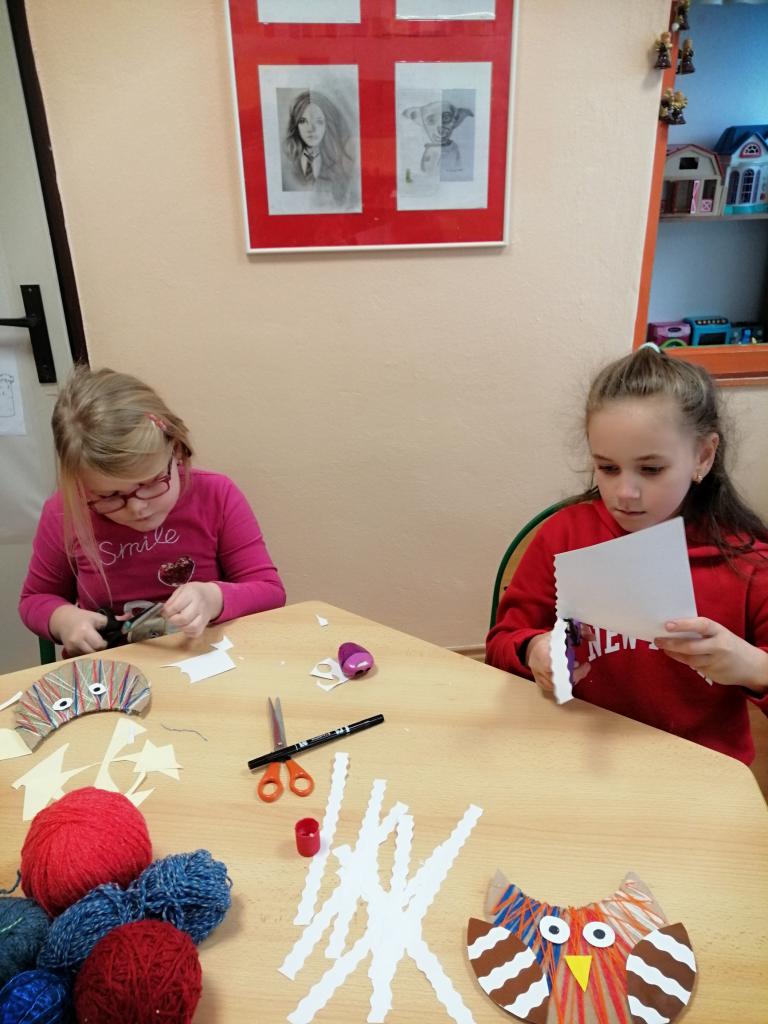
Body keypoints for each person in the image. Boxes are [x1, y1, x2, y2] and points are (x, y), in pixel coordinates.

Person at [486, 344, 768, 765]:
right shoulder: (566, 534)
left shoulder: (747, 562)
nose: (625, 493)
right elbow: (502, 641)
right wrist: (534, 651)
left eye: (651, 469)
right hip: (580, 751)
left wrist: (754, 668)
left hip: (699, 769)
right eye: (608, 468)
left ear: (703, 456)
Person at [19, 366, 286, 655]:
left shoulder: (216, 495)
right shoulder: (65, 513)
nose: (137, 507)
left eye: (150, 483)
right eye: (108, 496)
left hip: (205, 659)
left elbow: (269, 590)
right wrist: (62, 619)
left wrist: (214, 598)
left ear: (178, 451)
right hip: (110, 668)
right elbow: (35, 598)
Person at [281, 89, 354, 206]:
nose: (311, 129)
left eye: (319, 121)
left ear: (327, 124)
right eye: (303, 121)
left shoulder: (339, 167)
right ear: (296, 125)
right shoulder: (286, 170)